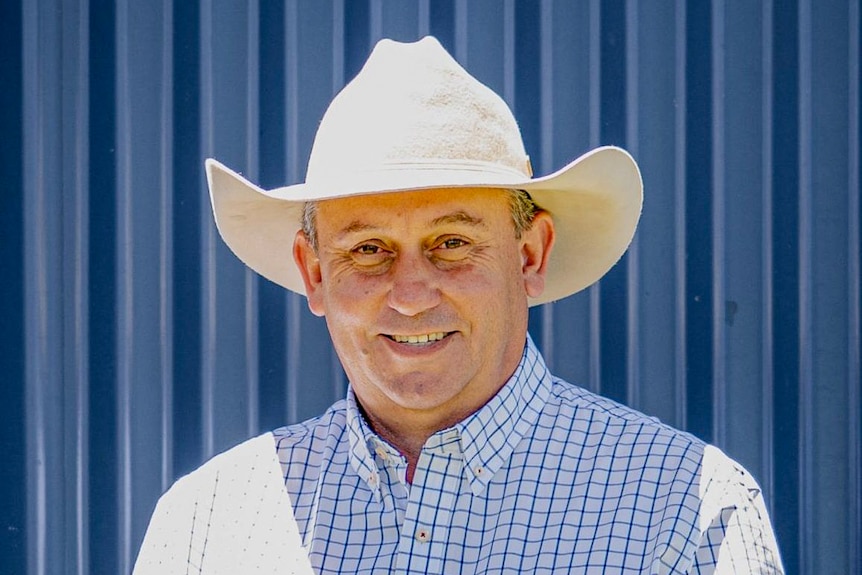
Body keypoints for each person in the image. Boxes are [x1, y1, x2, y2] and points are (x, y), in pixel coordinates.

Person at [134, 36, 783, 574]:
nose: (411, 295)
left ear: (529, 254)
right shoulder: (207, 525)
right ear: (314, 273)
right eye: (368, 249)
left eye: (451, 242)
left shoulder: (685, 509)